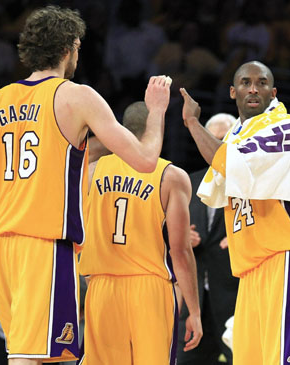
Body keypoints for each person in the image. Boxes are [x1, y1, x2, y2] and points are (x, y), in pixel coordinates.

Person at [0, 5, 171, 364]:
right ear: (69, 48)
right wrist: (157, 112)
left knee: (38, 355)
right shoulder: (76, 96)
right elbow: (146, 161)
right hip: (44, 245)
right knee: (25, 358)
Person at [180, 60, 290, 364]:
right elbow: (214, 190)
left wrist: (193, 124)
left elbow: (227, 164)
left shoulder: (286, 126)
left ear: (273, 91)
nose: (253, 88)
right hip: (250, 268)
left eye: (261, 83)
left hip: (287, 259)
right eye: (246, 82)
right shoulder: (238, 135)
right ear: (232, 91)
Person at [78, 101, 202, 364]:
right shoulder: (172, 176)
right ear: (158, 128)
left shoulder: (89, 172)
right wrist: (194, 311)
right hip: (149, 288)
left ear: (122, 129)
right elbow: (180, 251)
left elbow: (77, 235)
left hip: (101, 286)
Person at [177, 112, 238, 364]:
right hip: (195, 304)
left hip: (234, 299)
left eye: (222, 140)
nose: (215, 147)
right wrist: (179, 237)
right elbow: (164, 233)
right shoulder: (188, 183)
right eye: (211, 139)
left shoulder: (249, 184)